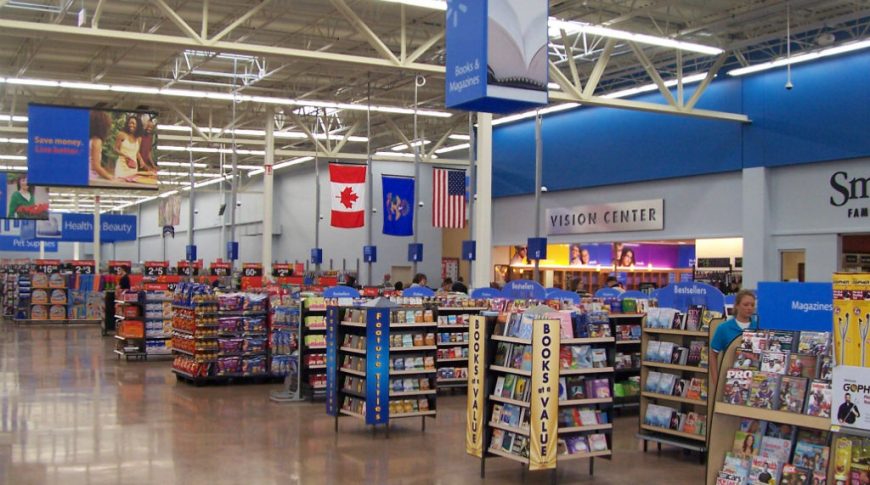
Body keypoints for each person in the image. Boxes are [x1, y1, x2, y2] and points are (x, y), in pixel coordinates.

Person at [710, 290, 758, 392]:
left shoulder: (758, 327)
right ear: (736, 305)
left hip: (753, 380)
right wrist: (716, 379)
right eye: (745, 304)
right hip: (729, 379)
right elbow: (713, 354)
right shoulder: (724, 328)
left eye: (752, 305)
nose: (749, 308)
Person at [113, 115, 146, 180]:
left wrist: (141, 160)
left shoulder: (139, 138)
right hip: (121, 166)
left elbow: (137, 152)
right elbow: (115, 149)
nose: (131, 125)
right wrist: (124, 155)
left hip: (133, 167)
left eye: (133, 123)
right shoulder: (121, 134)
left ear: (138, 126)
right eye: (130, 123)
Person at [88, 110, 116, 183]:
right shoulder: (97, 141)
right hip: (91, 177)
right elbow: (96, 166)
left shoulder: (89, 139)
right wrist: (111, 177)